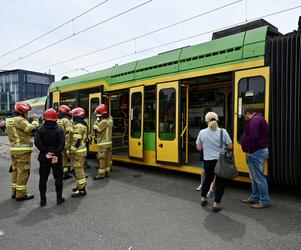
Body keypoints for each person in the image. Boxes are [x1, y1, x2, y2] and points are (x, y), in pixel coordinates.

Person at [196, 112, 232, 212]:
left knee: (207, 179)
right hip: (221, 161)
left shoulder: (202, 132)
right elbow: (230, 146)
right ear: (217, 119)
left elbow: (199, 148)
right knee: (220, 182)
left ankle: (203, 199)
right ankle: (216, 205)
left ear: (206, 120)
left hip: (208, 161)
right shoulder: (223, 132)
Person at [6, 102, 38, 201]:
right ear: (22, 112)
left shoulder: (10, 120)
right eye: (26, 112)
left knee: (16, 171)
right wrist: (35, 121)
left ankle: (14, 192)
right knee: (23, 172)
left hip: (14, 150)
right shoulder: (20, 120)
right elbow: (31, 129)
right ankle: (21, 194)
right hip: (22, 151)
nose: (27, 114)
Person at [34, 108, 65, 207]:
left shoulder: (40, 128)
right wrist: (55, 153)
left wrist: (45, 152)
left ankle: (43, 200)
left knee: (43, 179)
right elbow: (62, 143)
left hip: (44, 157)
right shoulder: (60, 129)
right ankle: (59, 198)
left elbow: (36, 142)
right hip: (56, 157)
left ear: (45, 117)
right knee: (58, 178)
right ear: (56, 118)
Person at [241, 108, 270, 209]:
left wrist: (250, 150)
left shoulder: (255, 121)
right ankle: (254, 197)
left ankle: (264, 201)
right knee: (254, 178)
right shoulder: (259, 119)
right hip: (258, 151)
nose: (246, 119)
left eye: (245, 117)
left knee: (259, 178)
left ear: (248, 114)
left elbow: (253, 137)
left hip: (256, 152)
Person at [69, 107, 88, 197]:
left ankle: (82, 189)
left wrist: (71, 151)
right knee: (77, 169)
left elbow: (77, 141)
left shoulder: (78, 126)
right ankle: (78, 186)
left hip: (78, 152)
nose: (72, 118)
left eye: (73, 117)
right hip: (81, 151)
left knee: (78, 170)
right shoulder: (82, 125)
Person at [93, 104, 113, 180]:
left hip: (102, 144)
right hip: (109, 143)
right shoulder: (110, 119)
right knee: (108, 158)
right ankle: (107, 171)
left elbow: (97, 129)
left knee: (101, 159)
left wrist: (95, 123)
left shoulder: (103, 122)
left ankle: (101, 174)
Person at [57, 105, 73, 179]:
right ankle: (66, 173)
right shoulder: (66, 121)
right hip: (64, 143)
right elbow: (69, 133)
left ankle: (63, 172)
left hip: (58, 143)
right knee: (66, 157)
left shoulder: (57, 121)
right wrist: (69, 144)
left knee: (62, 158)